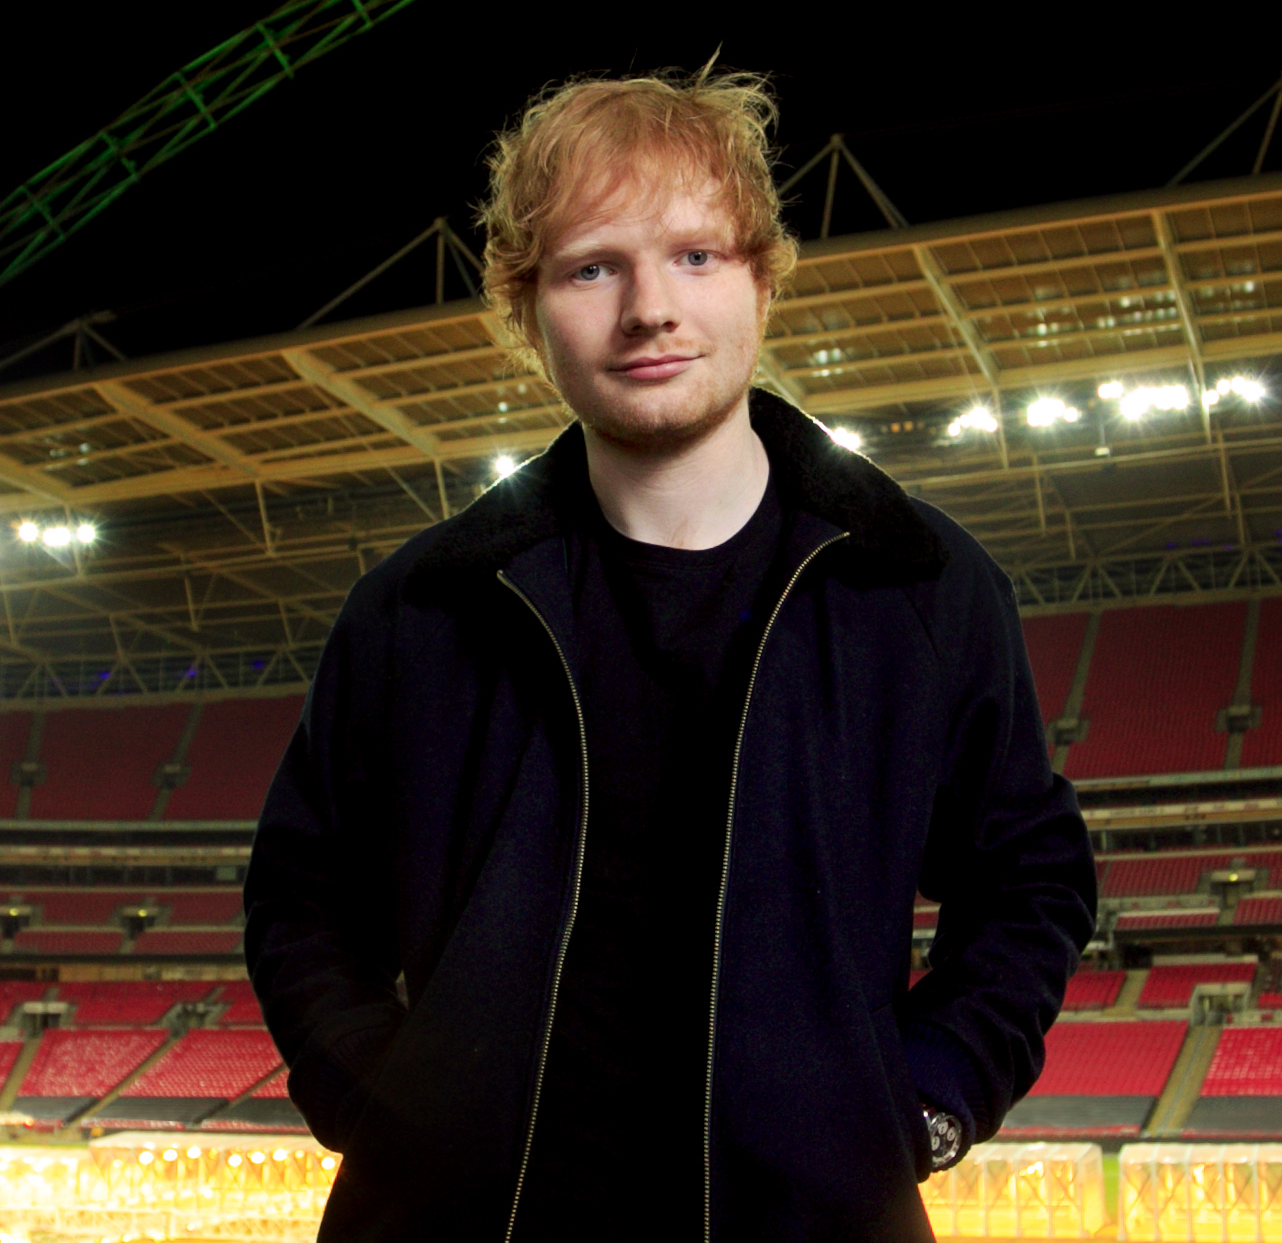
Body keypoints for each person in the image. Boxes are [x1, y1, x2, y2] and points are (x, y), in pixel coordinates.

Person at [245, 67, 1096, 1240]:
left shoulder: (921, 587)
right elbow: (300, 894)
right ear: (523, 303)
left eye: (695, 254)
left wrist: (931, 1092)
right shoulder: (416, 610)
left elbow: (1030, 878)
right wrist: (374, 1098)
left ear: (761, 275)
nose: (651, 307)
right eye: (593, 264)